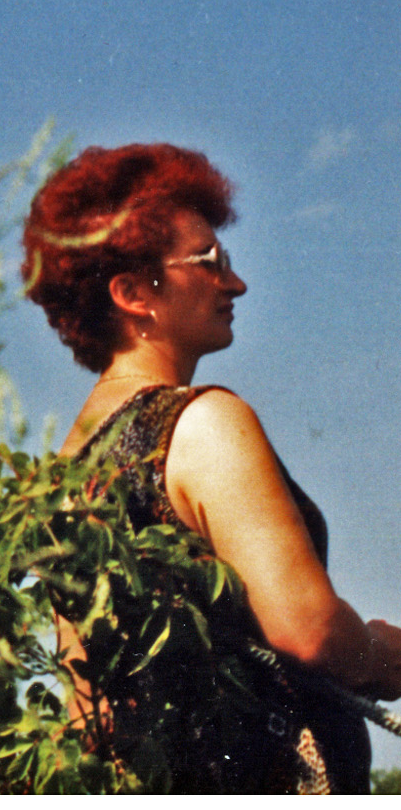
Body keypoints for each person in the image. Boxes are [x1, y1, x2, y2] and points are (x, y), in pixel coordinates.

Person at [22, 142, 401, 793]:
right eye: (210, 261)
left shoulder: (63, 472)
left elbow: (90, 711)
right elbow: (307, 627)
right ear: (134, 291)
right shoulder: (202, 422)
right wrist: (382, 654)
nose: (236, 282)